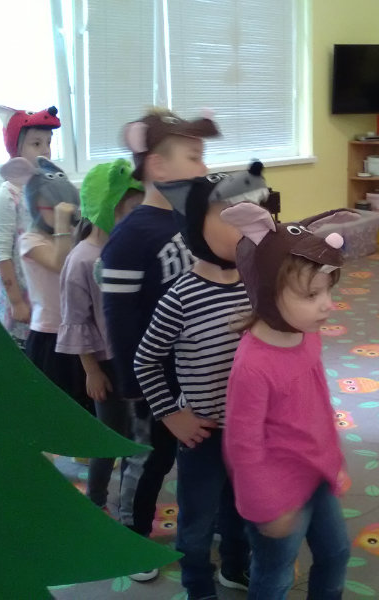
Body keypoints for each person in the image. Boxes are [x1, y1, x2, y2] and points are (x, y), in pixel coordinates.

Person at [134, 163, 268, 599]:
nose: (248, 225)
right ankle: (198, 587)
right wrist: (172, 416)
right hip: (203, 433)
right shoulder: (181, 296)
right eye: (233, 217)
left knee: (241, 509)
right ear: (197, 227)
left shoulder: (255, 283)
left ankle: (234, 567)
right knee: (196, 522)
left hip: (248, 427)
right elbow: (146, 360)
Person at [101, 108, 219, 583]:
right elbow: (119, 320)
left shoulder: (193, 221)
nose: (204, 168)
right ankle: (132, 535)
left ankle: (207, 523)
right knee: (149, 458)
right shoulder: (131, 236)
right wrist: (142, 391)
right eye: (194, 157)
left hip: (196, 370)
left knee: (196, 453)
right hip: (153, 380)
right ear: (158, 166)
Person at [220, 202, 351, 599]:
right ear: (267, 292)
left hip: (317, 473)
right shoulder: (253, 367)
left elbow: (318, 404)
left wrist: (334, 460)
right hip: (278, 494)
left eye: (327, 290)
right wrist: (265, 506)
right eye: (311, 294)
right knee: (275, 576)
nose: (328, 304)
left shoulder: (307, 335)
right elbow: (242, 445)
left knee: (336, 553)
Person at [56, 159, 144, 516]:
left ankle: (133, 501)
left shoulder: (127, 249)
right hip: (106, 364)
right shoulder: (80, 260)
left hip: (137, 357)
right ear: (106, 208)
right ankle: (95, 501)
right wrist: (91, 370)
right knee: (109, 437)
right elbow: (76, 320)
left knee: (138, 435)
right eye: (132, 211)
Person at [0, 105, 61, 346]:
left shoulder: (47, 188)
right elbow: (1, 253)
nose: (46, 150)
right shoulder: (6, 196)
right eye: (36, 144)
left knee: (45, 350)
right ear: (16, 149)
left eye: (48, 142)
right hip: (20, 294)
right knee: (23, 353)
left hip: (44, 289)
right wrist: (16, 301)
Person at [12, 156, 83, 398]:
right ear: (36, 207)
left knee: (81, 399)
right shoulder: (30, 241)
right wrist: (63, 225)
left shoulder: (70, 235)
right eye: (54, 208)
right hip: (49, 335)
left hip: (76, 331)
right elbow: (61, 265)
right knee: (57, 398)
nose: (62, 214)